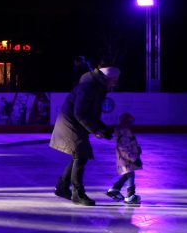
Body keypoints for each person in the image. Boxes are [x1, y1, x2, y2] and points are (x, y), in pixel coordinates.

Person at [49, 65, 120, 206]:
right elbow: (79, 112)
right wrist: (95, 130)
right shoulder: (88, 87)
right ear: (108, 78)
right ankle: (77, 194)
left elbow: (90, 113)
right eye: (115, 80)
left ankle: (62, 187)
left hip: (76, 123)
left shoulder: (98, 87)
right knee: (81, 155)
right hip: (69, 123)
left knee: (79, 155)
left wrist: (103, 129)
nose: (116, 83)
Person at [105, 112, 143, 204]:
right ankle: (130, 195)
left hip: (128, 159)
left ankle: (115, 189)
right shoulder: (123, 133)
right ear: (125, 122)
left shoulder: (126, 132)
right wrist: (134, 159)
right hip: (126, 159)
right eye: (130, 122)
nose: (132, 124)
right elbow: (124, 149)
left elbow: (131, 144)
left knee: (127, 175)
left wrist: (137, 149)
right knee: (130, 175)